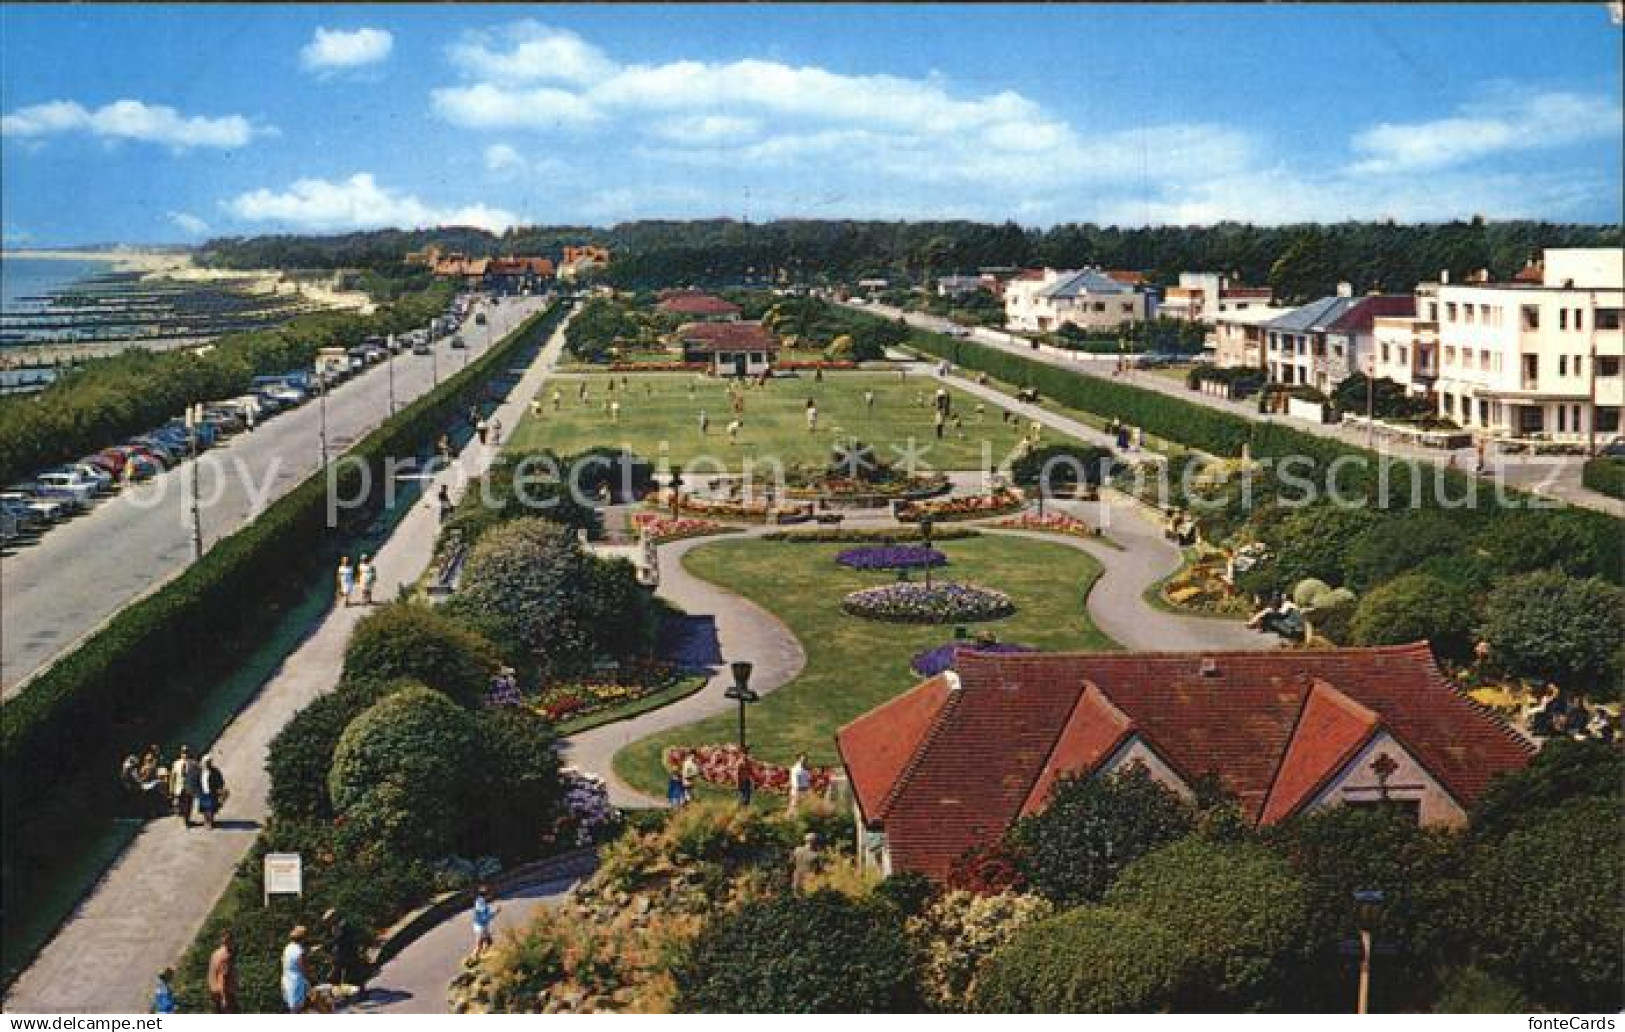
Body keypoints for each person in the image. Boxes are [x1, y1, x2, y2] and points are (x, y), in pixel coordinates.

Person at [324, 907, 367, 994]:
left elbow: (340, 940)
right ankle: (354, 991)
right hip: (344, 953)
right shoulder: (338, 925)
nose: (328, 922)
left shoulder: (341, 925)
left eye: (329, 919)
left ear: (334, 917)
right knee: (348, 972)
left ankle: (357, 991)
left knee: (349, 972)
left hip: (347, 953)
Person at [282, 926, 311, 1014]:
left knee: (292, 1009)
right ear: (303, 938)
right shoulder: (300, 951)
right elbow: (304, 969)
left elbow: (283, 961)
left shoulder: (288, 947)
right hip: (297, 983)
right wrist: (311, 979)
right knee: (297, 1010)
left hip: (287, 980)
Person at [207, 930, 239, 1013]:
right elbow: (222, 978)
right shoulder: (225, 956)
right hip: (226, 994)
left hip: (215, 993)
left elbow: (212, 975)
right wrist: (224, 998)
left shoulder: (215, 954)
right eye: (233, 941)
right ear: (230, 941)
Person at [169, 746, 196, 827]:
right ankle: (185, 818)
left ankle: (187, 820)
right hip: (179, 787)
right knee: (181, 804)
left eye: (186, 752)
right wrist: (171, 788)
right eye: (183, 753)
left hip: (189, 787)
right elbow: (173, 776)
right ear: (180, 754)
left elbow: (196, 775)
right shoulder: (176, 763)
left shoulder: (193, 763)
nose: (185, 754)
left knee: (188, 804)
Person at [198, 754, 226, 830]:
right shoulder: (201, 771)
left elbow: (220, 781)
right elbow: (196, 780)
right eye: (206, 762)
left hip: (212, 793)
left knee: (210, 808)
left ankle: (209, 822)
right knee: (204, 808)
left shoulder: (215, 771)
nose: (207, 763)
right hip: (203, 792)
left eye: (209, 762)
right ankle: (206, 821)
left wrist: (220, 789)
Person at [470, 887, 497, 960]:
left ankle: (480, 956)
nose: (490, 895)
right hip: (480, 927)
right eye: (489, 894)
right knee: (480, 945)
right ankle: (473, 959)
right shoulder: (482, 904)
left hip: (480, 926)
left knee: (488, 942)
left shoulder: (480, 901)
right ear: (486, 894)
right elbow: (485, 917)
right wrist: (496, 912)